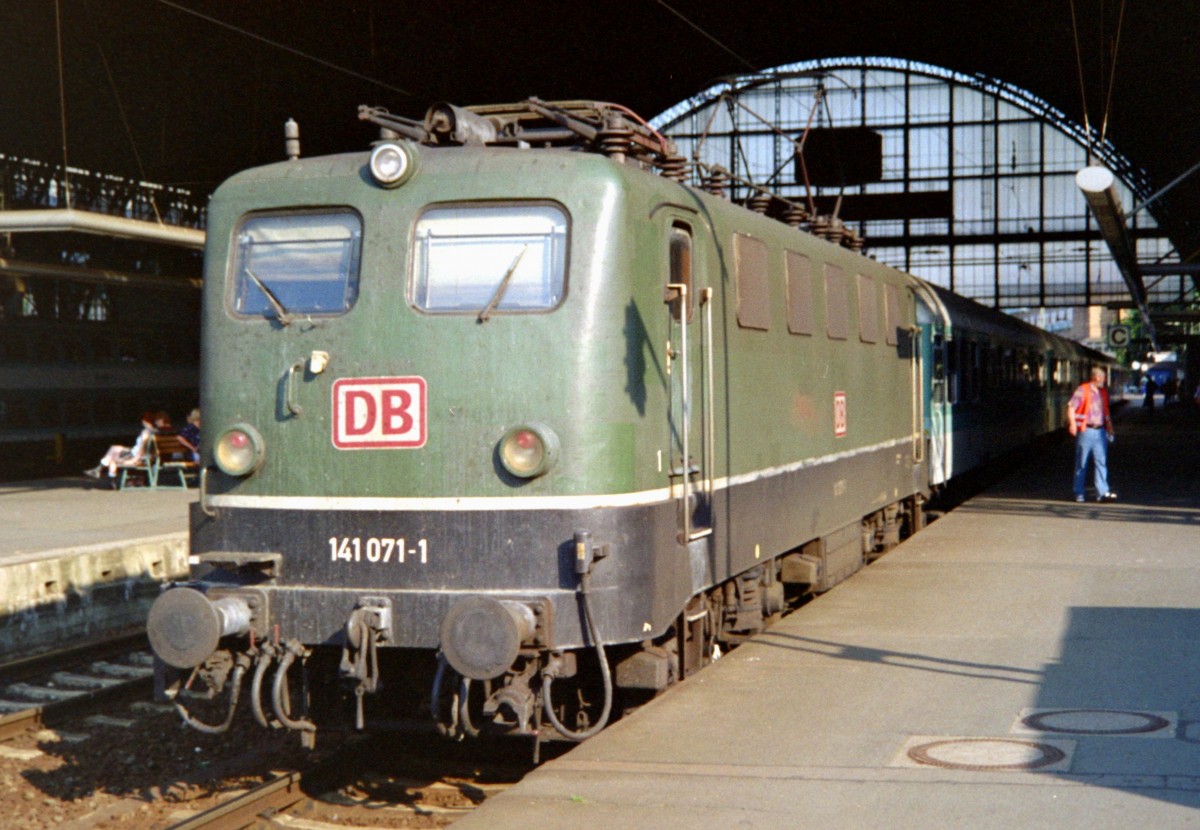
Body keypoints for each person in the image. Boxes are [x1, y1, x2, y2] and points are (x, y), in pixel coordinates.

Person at [1067, 367, 1116, 503]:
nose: (1105, 381)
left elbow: (1106, 412)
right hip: (1085, 430)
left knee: (1101, 462)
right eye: (1103, 378)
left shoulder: (1103, 393)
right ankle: (1079, 492)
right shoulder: (1083, 390)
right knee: (1082, 463)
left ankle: (1102, 492)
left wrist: (1110, 428)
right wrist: (1072, 424)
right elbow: (1071, 406)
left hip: (1100, 431)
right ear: (1097, 377)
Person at [85, 411, 172, 483]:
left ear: (161, 420)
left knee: (112, 456)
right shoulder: (156, 432)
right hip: (136, 453)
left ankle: (102, 472)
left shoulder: (148, 432)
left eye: (157, 420)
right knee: (114, 449)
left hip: (137, 455)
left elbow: (142, 448)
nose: (155, 422)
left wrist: (135, 460)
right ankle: (100, 471)